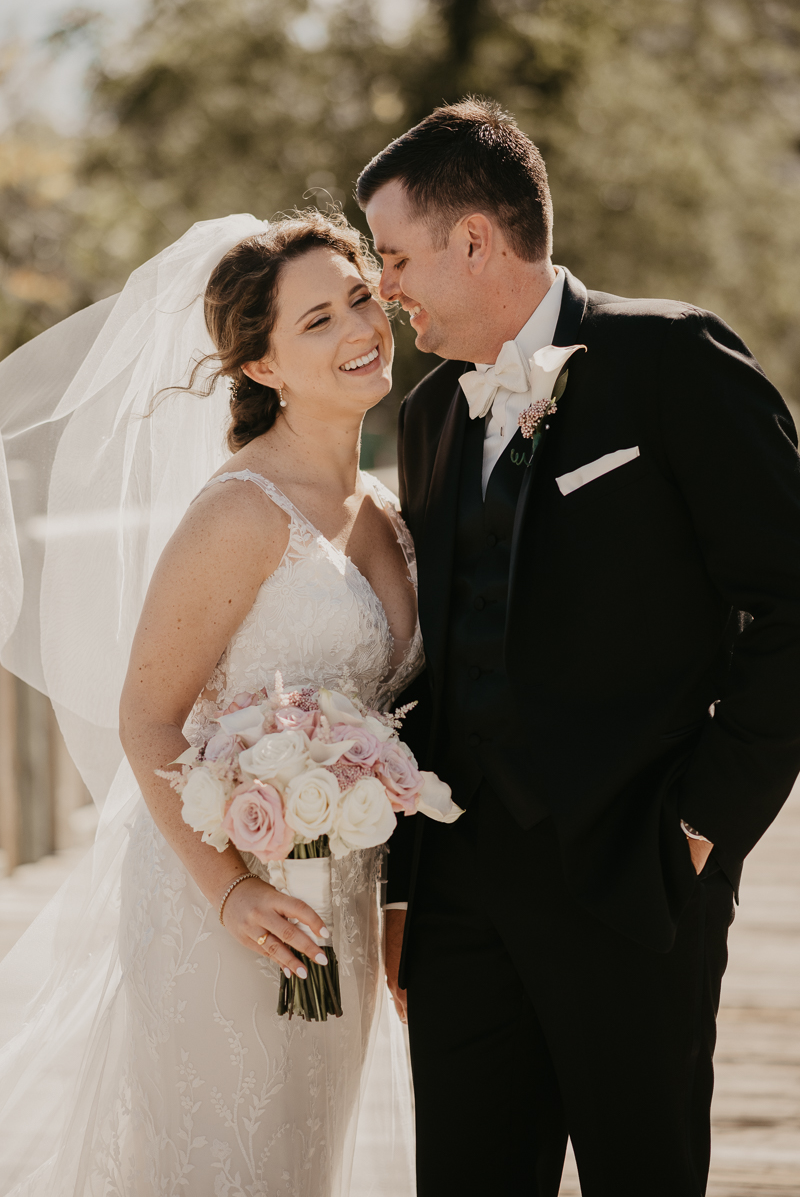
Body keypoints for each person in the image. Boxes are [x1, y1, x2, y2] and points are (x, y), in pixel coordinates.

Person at [358, 97, 800, 1196]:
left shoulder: (672, 361)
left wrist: (700, 827)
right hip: (462, 903)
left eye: (395, 255)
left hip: (635, 877)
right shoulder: (425, 417)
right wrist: (408, 891)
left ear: (475, 240)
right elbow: (435, 671)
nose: (384, 288)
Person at [0, 211, 418, 1194]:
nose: (358, 328)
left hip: (338, 901)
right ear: (264, 365)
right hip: (224, 905)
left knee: (300, 1159)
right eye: (317, 320)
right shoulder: (239, 512)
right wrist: (230, 889)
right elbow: (147, 715)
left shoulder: (388, 509)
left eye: (361, 297)